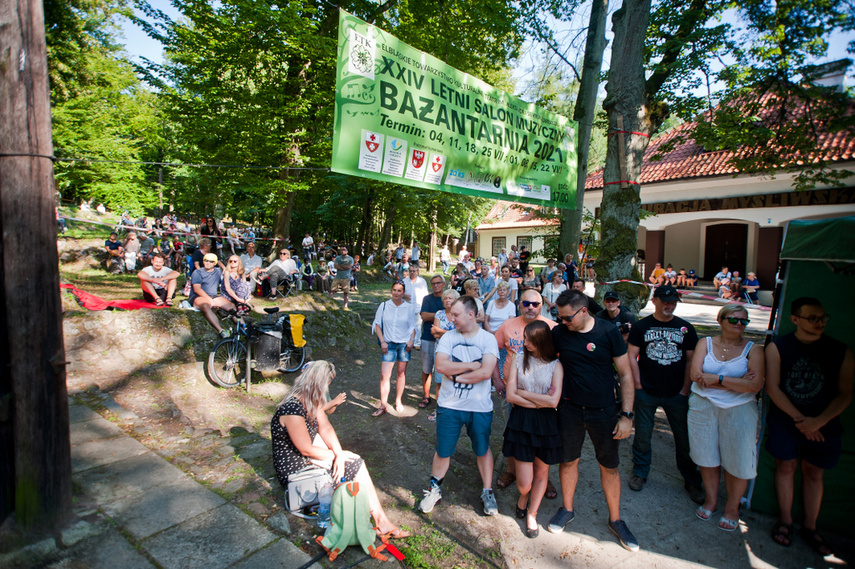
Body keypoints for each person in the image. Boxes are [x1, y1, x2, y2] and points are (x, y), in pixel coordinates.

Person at [271, 361, 409, 540]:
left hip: (309, 460)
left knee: (353, 462)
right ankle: (380, 522)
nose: (328, 387)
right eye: (328, 383)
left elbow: (326, 428)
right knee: (354, 463)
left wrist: (338, 454)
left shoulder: (309, 400)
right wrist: (338, 456)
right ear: (318, 383)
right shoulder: (292, 409)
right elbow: (305, 449)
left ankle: (379, 520)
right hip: (297, 472)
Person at [548, 289, 639, 552]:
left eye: (567, 318)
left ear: (584, 311)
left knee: (609, 466)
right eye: (559, 317)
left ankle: (616, 519)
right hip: (569, 409)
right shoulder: (559, 333)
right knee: (568, 461)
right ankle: (567, 509)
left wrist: (627, 415)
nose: (563, 322)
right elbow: (548, 363)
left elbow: (625, 375)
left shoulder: (608, 332)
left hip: (604, 412)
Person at [765, 297, 853, 556]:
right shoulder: (779, 347)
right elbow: (772, 387)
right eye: (812, 318)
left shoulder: (841, 351)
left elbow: (846, 393)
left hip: (824, 423)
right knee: (786, 467)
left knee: (815, 473)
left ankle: (810, 527)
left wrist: (819, 421)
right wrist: (802, 421)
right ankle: (785, 521)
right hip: (787, 421)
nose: (819, 323)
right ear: (795, 319)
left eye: (822, 317)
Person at [418, 296, 500, 516]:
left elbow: (485, 373)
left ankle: (487, 490)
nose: (450, 318)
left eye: (455, 315)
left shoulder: (487, 339)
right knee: (443, 450)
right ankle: (434, 489)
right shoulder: (448, 338)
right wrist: (472, 365)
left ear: (470, 315)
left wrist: (457, 376)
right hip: (450, 405)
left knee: (482, 449)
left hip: (480, 407)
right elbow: (442, 366)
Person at [688, 304, 765, 531]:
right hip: (703, 406)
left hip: (740, 410)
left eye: (744, 321)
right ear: (721, 321)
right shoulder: (706, 343)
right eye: (734, 319)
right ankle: (711, 500)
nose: (739, 324)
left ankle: (732, 507)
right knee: (706, 456)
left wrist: (717, 378)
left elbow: (754, 385)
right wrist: (736, 380)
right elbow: (695, 375)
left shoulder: (754, 350)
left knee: (737, 460)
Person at [626, 284, 705, 504]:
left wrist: (685, 389)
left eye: (673, 302)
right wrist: (638, 385)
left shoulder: (685, 328)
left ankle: (691, 478)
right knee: (642, 434)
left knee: (684, 437)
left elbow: (691, 359)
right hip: (647, 391)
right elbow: (632, 356)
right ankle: (640, 472)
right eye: (665, 301)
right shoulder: (642, 327)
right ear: (655, 301)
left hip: (676, 393)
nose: (669, 305)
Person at [494, 290, 559, 499]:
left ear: (542, 305)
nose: (530, 307)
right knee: (512, 433)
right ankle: (512, 471)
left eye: (535, 304)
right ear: (520, 304)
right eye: (526, 303)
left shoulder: (552, 328)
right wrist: (496, 379)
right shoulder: (508, 325)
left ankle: (543, 477)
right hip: (511, 391)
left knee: (541, 437)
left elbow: (559, 360)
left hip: (541, 393)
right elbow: (492, 350)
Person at [503, 320, 563, 538]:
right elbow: (511, 395)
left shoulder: (555, 365)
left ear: (540, 341)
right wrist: (540, 401)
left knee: (542, 472)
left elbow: (554, 401)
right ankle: (523, 496)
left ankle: (532, 513)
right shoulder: (519, 359)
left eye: (528, 339)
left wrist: (525, 394)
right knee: (524, 481)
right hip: (522, 421)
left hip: (547, 423)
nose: (524, 342)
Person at [372, 281, 418, 416]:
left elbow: (413, 326)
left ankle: (398, 401)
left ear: (403, 293)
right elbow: (377, 324)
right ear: (391, 291)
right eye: (394, 290)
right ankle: (383, 405)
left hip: (404, 344)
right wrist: (382, 342)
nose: (396, 293)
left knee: (401, 372)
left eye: (399, 291)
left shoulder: (409, 307)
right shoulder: (384, 305)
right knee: (384, 375)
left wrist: (411, 340)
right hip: (389, 344)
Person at [428, 289, 461, 421]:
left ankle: (454, 409)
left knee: (456, 380)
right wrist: (450, 332)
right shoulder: (439, 314)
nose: (447, 300)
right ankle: (439, 408)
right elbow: (434, 333)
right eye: (445, 298)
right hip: (441, 351)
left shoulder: (459, 314)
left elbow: (460, 333)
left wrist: (441, 331)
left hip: (457, 353)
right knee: (440, 382)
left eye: (450, 298)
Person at [418, 275, 447, 410]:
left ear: (443, 284)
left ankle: (442, 398)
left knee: (443, 370)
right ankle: (426, 395)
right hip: (428, 337)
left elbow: (454, 314)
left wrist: (433, 315)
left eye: (438, 283)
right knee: (427, 368)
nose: (436, 286)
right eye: (433, 283)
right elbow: (424, 316)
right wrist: (442, 314)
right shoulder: (427, 299)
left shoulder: (447, 298)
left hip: (445, 340)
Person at [189, 253, 233, 337]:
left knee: (231, 306)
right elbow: (197, 289)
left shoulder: (218, 271)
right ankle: (221, 330)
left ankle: (243, 327)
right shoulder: (197, 272)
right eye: (206, 260)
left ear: (215, 263)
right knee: (206, 306)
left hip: (213, 296)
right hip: (197, 296)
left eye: (211, 261)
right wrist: (210, 301)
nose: (208, 263)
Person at [403, 263, 429, 348]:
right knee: (407, 325)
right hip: (407, 306)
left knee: (418, 325)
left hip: (419, 305)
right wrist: (403, 296)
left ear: (417, 271)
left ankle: (417, 343)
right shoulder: (404, 281)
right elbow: (399, 293)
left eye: (414, 271)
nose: (412, 272)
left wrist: (425, 306)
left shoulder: (422, 281)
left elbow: (425, 294)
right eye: (411, 271)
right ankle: (407, 340)